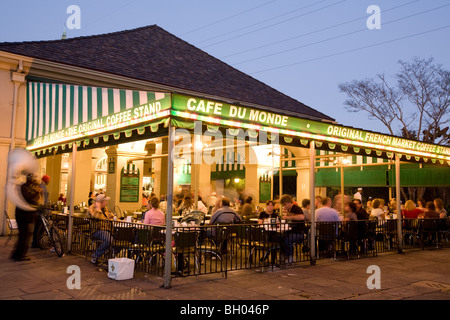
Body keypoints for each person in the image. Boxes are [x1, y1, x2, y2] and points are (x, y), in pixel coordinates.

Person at [10, 174, 43, 262]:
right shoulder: (24, 188)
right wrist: (37, 191)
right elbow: (29, 198)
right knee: (25, 236)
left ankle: (17, 254)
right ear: (30, 180)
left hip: (26, 216)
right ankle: (20, 255)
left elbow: (34, 200)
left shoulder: (27, 188)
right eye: (34, 179)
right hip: (24, 216)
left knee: (23, 236)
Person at [87, 194, 115, 264]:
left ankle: (107, 256)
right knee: (109, 240)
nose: (107, 203)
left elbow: (112, 216)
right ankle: (95, 256)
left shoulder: (106, 209)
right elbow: (96, 217)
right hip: (97, 231)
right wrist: (98, 209)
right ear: (101, 202)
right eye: (105, 201)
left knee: (122, 239)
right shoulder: (91, 209)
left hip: (109, 229)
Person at [280, 194, 305, 264]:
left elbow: (302, 217)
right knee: (281, 237)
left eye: (285, 205)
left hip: (299, 233)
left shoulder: (296, 208)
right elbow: (293, 215)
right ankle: (284, 256)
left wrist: (288, 217)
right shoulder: (290, 210)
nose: (284, 206)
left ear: (289, 203)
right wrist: (287, 213)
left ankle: (290, 257)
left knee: (287, 239)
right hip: (291, 231)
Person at [32, 175, 51, 248]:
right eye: (48, 180)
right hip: (41, 210)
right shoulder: (42, 187)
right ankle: (37, 243)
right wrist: (45, 206)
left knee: (37, 227)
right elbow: (43, 199)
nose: (49, 181)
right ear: (46, 180)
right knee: (40, 227)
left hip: (38, 209)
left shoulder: (40, 185)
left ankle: (35, 242)